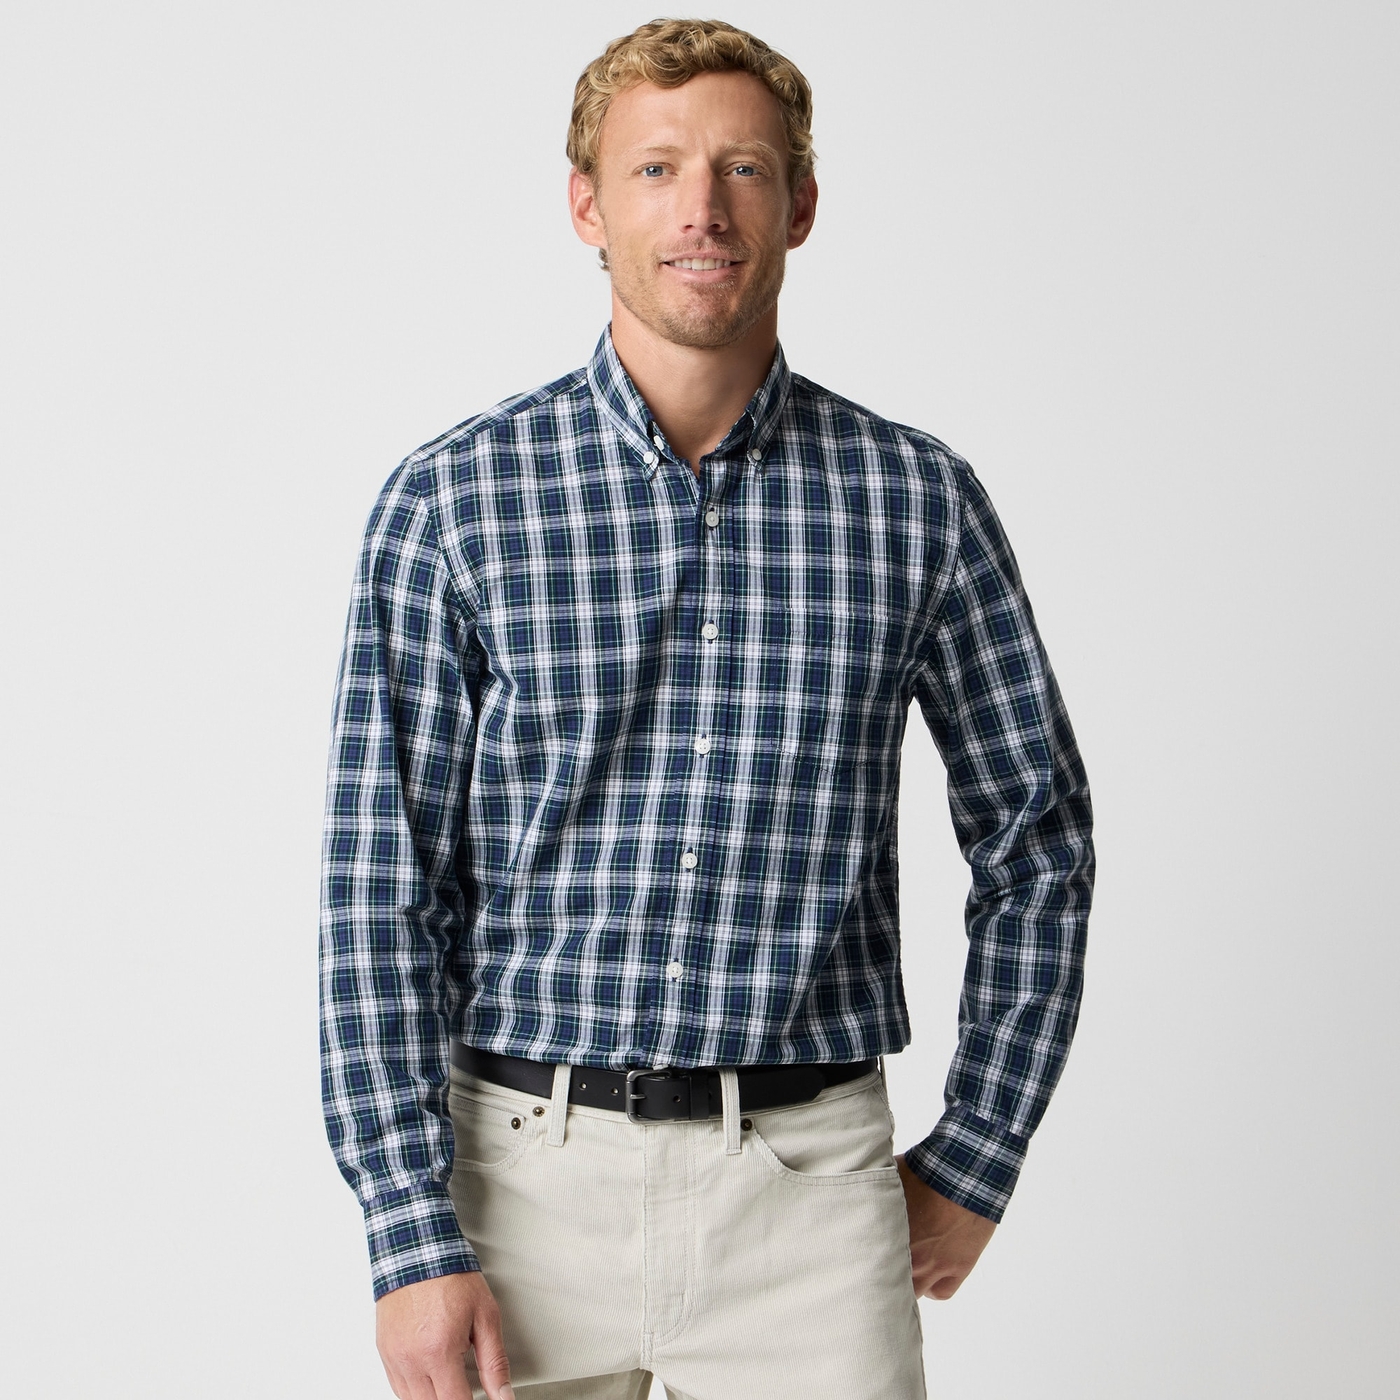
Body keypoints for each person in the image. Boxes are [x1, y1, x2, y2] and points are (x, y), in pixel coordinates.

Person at [320, 18, 1093, 1400]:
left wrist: (979, 1153)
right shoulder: (454, 502)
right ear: (586, 206)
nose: (702, 209)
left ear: (801, 205)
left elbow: (1037, 838)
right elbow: (384, 882)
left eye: (743, 168)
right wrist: (406, 1226)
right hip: (516, 1186)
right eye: (656, 168)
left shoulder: (916, 502)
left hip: (808, 1192)